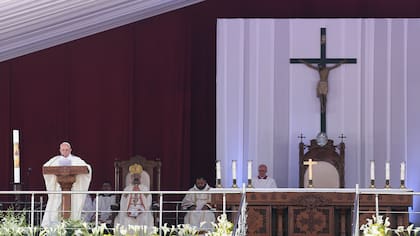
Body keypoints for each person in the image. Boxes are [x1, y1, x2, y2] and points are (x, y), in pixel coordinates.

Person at [41, 142, 92, 227]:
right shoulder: (54, 161)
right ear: (60, 150)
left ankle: (70, 226)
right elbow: (46, 169)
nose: (65, 151)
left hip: (73, 189)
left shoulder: (77, 160)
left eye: (66, 150)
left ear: (70, 150)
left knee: (73, 209)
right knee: (55, 209)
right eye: (63, 150)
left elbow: (87, 169)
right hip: (58, 189)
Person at [114, 164, 154, 230]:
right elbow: (123, 202)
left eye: (137, 176)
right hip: (129, 212)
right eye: (134, 176)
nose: (136, 177)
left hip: (142, 212)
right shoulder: (127, 189)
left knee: (144, 218)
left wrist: (140, 210)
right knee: (126, 219)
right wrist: (129, 211)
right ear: (131, 177)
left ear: (140, 177)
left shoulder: (145, 189)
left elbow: (148, 201)